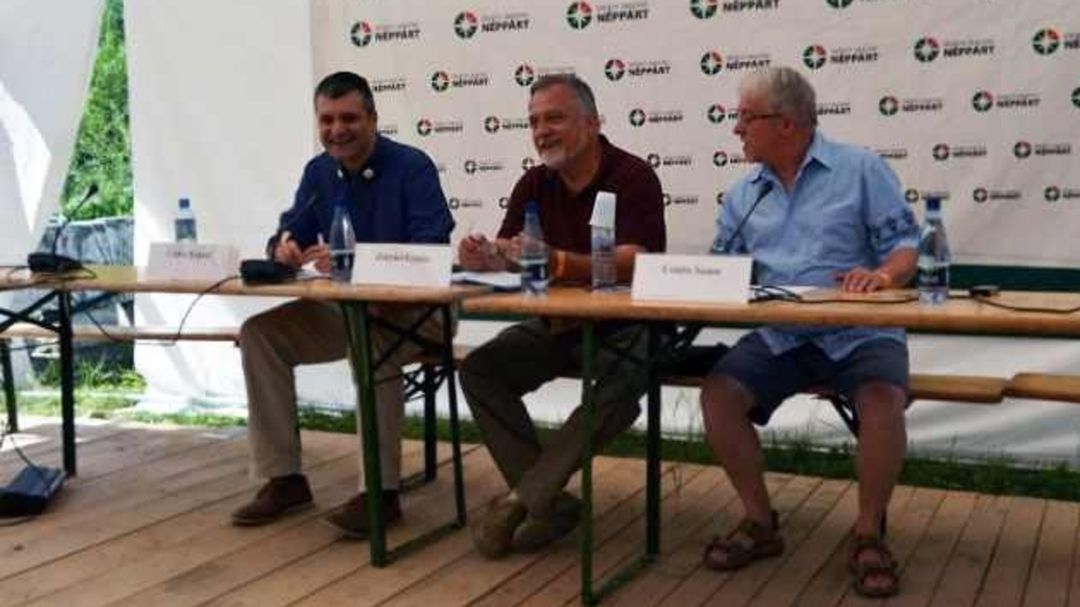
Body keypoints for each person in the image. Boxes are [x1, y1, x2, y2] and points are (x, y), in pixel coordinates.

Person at [699, 66, 918, 598]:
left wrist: (883, 277)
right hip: (783, 335)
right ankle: (760, 523)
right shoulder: (744, 193)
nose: (736, 129)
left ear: (786, 123)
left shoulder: (860, 169)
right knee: (718, 395)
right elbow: (721, 266)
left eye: (745, 118)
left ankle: (868, 534)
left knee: (882, 400)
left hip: (860, 332)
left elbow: (906, 247)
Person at [230, 71, 454, 539]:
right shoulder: (318, 172)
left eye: (349, 118)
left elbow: (430, 251)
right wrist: (284, 247)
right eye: (327, 120)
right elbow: (289, 228)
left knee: (371, 343)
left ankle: (381, 494)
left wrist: (356, 260)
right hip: (349, 310)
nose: (337, 130)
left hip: (420, 312)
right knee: (259, 335)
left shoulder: (412, 167)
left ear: (373, 119)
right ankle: (284, 478)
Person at [457, 74, 665, 558]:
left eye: (554, 118)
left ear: (591, 123)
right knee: (481, 369)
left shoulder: (632, 175)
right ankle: (550, 502)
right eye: (533, 122)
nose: (541, 131)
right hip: (559, 325)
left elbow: (638, 257)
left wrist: (561, 263)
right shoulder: (534, 181)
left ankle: (521, 500)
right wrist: (486, 256)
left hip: (629, 327)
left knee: (624, 383)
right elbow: (514, 251)